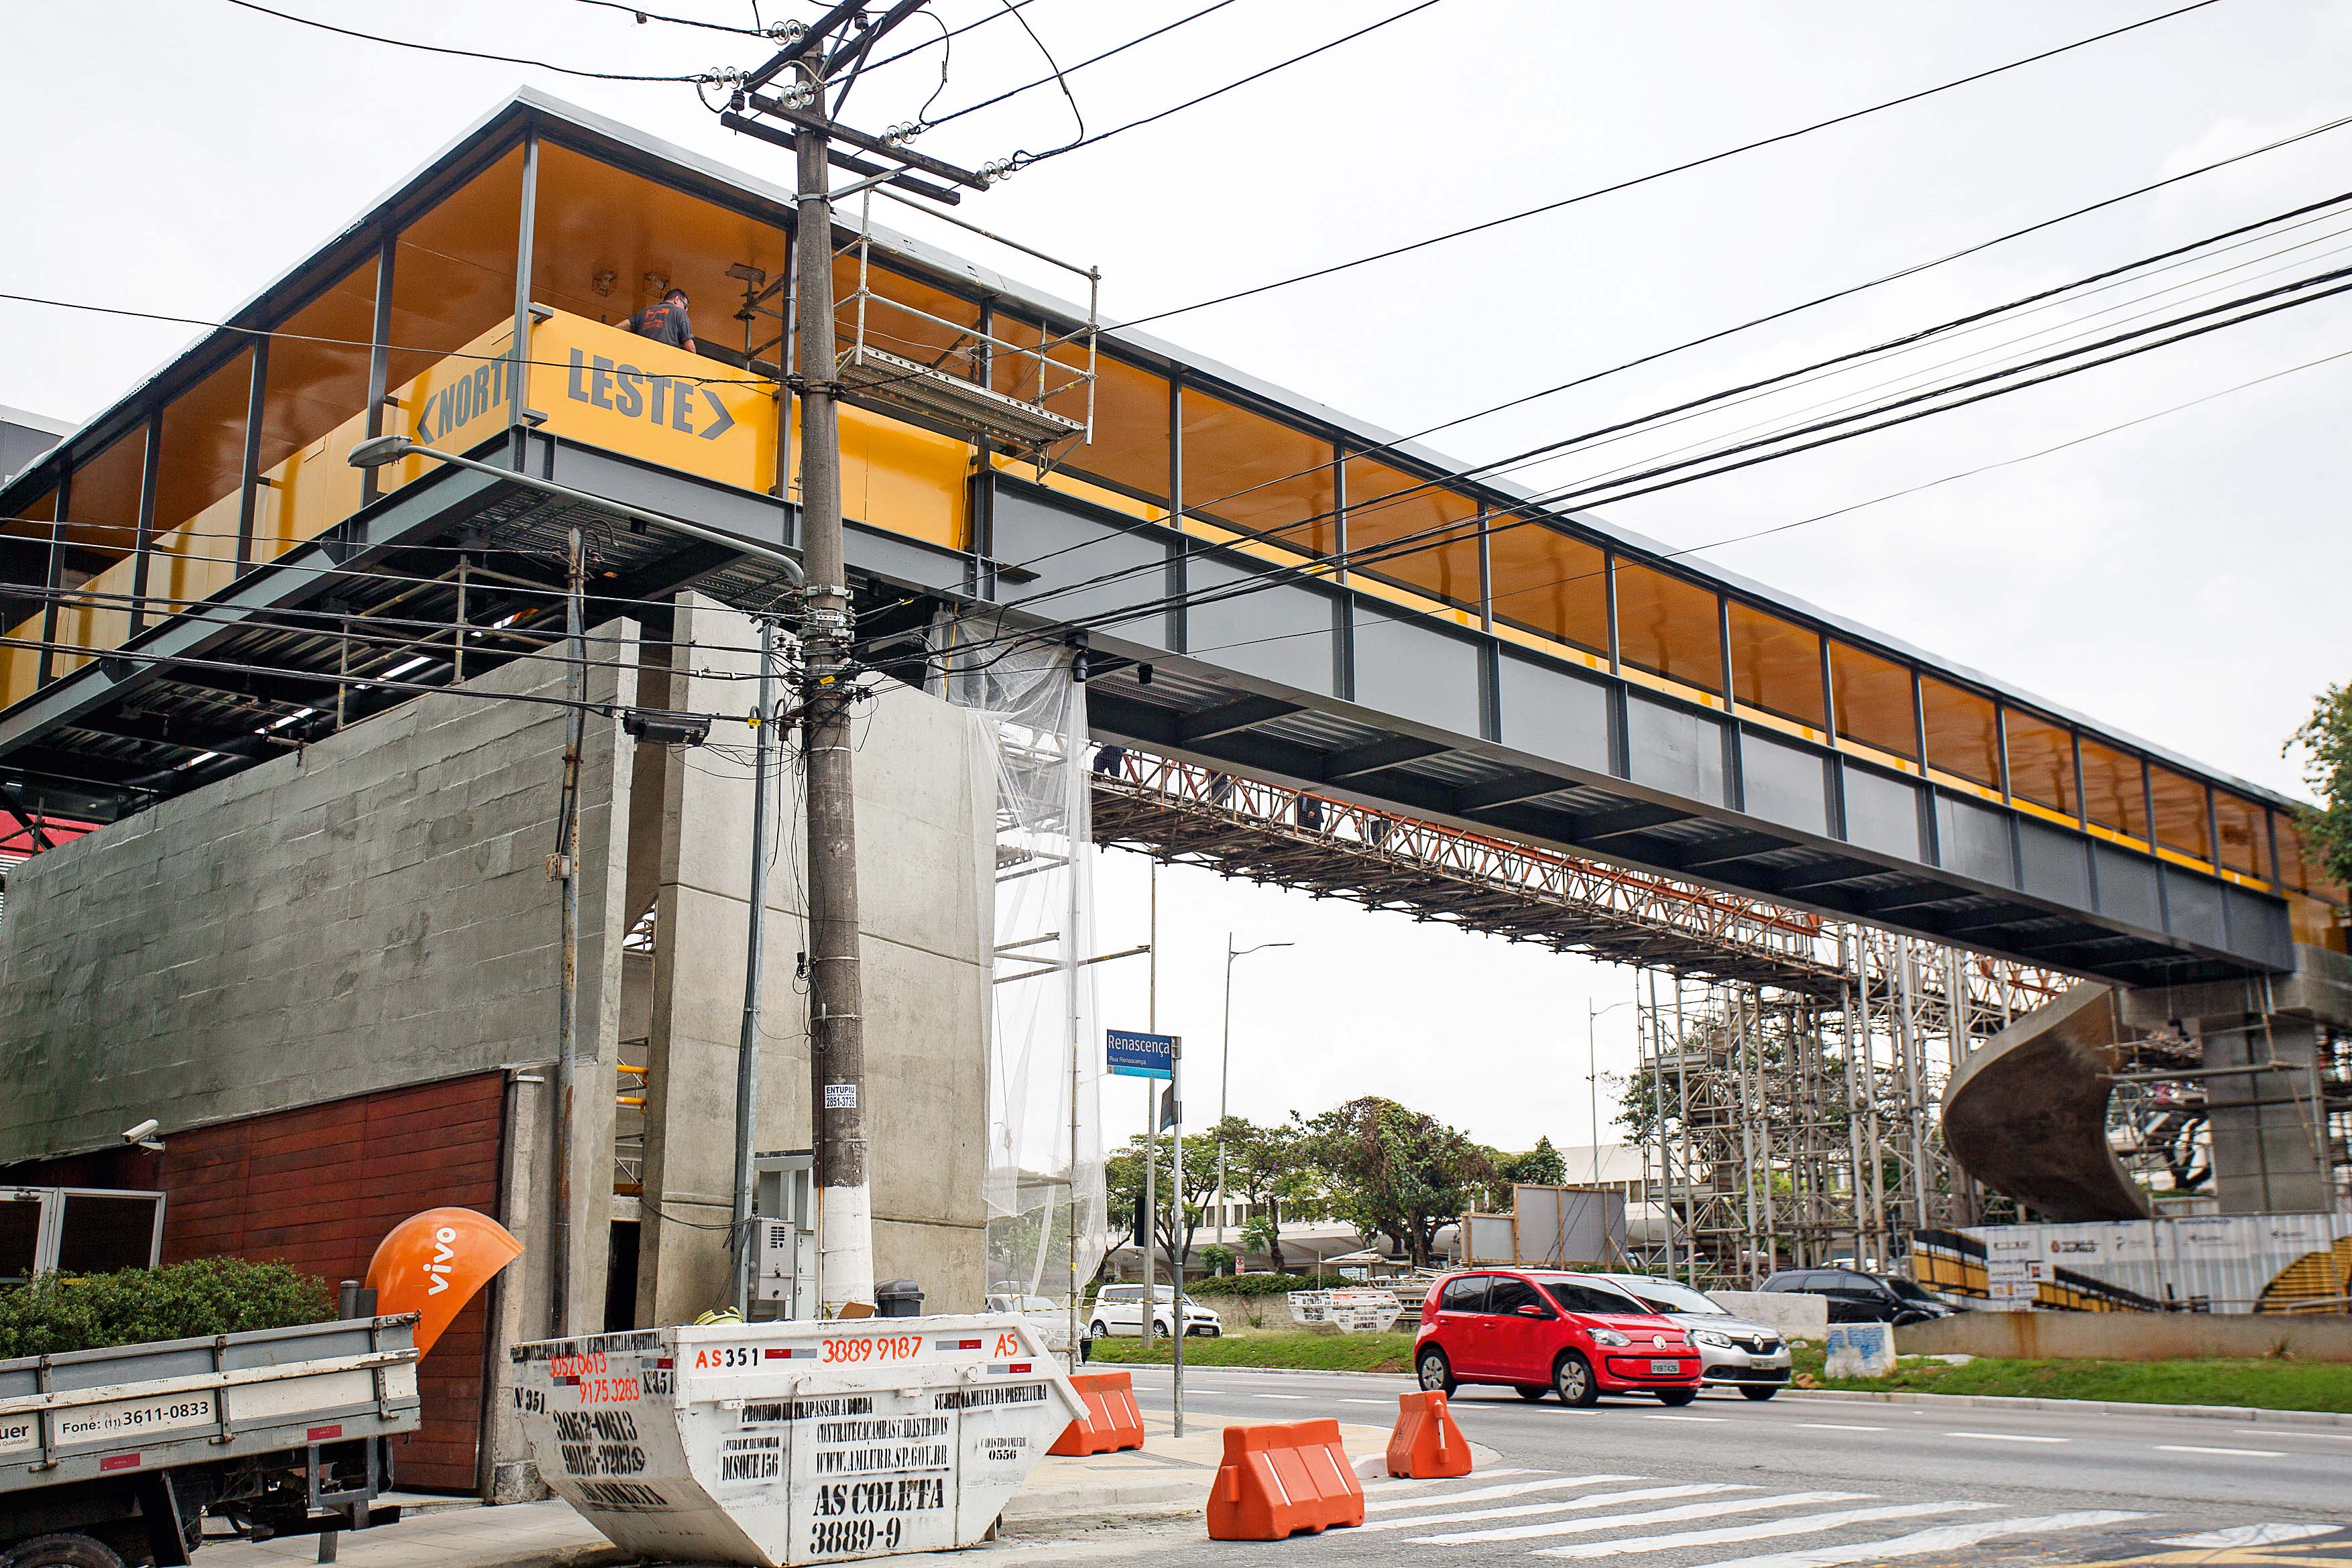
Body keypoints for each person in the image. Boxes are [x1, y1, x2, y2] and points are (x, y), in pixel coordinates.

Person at [625, 287, 697, 353]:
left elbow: (621, 326)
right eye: (685, 307)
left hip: (642, 357)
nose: (685, 310)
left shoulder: (644, 312)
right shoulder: (680, 313)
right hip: (666, 360)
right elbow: (691, 349)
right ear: (677, 299)